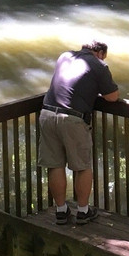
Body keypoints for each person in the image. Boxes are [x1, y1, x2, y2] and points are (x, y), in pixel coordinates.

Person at [38, 40, 120, 225]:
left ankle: (61, 211)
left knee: (55, 165)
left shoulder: (65, 56)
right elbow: (112, 96)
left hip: (47, 113)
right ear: (100, 53)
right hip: (73, 118)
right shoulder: (99, 65)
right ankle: (83, 211)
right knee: (82, 166)